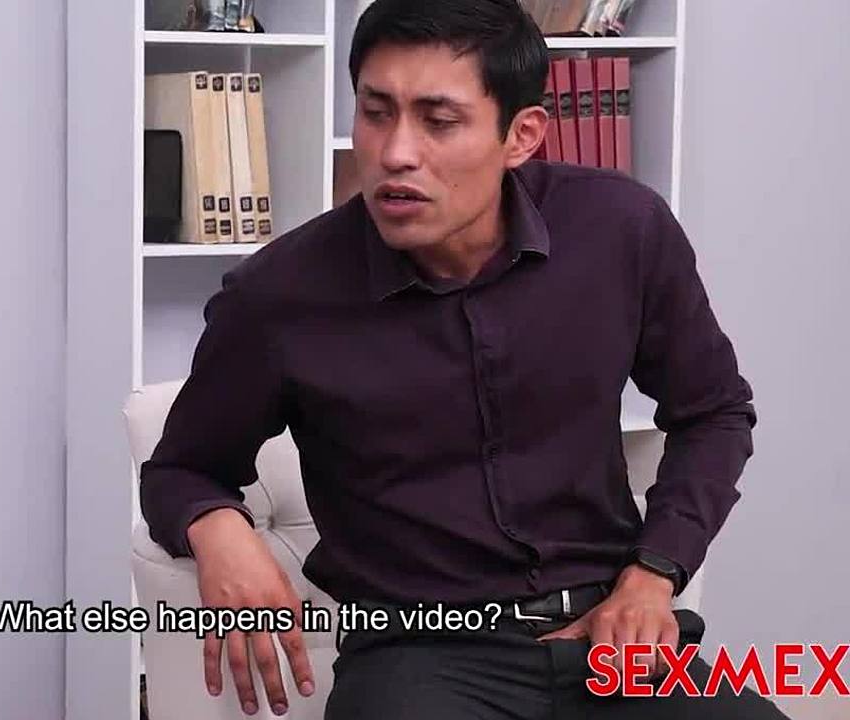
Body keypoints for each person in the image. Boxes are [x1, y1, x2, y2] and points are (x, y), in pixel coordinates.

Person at [138, 0, 788, 717]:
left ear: (522, 135)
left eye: (438, 121)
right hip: (420, 658)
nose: (395, 153)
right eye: (376, 112)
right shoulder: (278, 296)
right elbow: (181, 469)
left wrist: (654, 572)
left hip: (608, 632)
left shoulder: (621, 231)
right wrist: (219, 530)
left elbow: (715, 411)